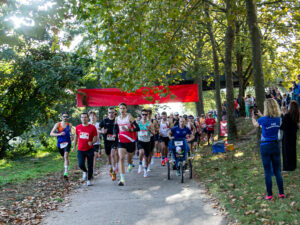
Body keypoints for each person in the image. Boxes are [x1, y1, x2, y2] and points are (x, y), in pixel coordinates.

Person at [252, 99, 284, 200]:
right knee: (277, 170)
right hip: (276, 145)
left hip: (265, 146)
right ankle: (281, 194)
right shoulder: (278, 119)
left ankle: (269, 195)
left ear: (267, 107)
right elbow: (269, 121)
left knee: (267, 171)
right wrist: (262, 115)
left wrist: (253, 117)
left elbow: (256, 125)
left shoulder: (263, 120)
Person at [115, 103, 140, 186]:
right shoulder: (117, 118)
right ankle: (122, 179)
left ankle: (130, 163)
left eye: (123, 108)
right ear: (119, 109)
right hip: (121, 141)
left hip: (130, 140)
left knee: (129, 158)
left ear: (126, 109)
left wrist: (128, 129)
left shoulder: (129, 117)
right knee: (121, 158)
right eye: (120, 108)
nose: (122, 110)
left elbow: (137, 128)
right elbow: (116, 129)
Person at [73, 113, 98, 186]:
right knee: (81, 164)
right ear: (80, 119)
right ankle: (85, 171)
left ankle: (89, 179)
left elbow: (95, 138)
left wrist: (92, 142)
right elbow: (76, 137)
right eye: (82, 117)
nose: (84, 119)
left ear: (88, 118)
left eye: (85, 117)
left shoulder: (92, 127)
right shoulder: (78, 127)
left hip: (89, 149)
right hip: (80, 149)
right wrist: (74, 146)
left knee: (90, 165)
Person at [50, 112, 73, 178]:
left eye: (66, 117)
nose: (65, 118)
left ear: (68, 118)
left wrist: (72, 136)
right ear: (62, 117)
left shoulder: (69, 124)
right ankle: (67, 165)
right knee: (64, 158)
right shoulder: (57, 124)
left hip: (67, 142)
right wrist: (59, 134)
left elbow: (70, 133)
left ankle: (66, 172)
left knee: (66, 156)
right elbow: (51, 133)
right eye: (64, 116)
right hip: (60, 143)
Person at [100, 107, 119, 181]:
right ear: (108, 113)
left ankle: (114, 171)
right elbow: (98, 129)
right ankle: (111, 167)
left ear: (115, 113)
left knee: (112, 154)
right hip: (106, 140)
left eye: (112, 112)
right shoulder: (105, 121)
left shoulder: (117, 120)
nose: (111, 114)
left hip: (114, 140)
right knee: (108, 156)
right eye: (109, 112)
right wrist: (102, 131)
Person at [280, 100, 299, 171]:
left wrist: (283, 115)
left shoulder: (287, 115)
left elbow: (282, 126)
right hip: (293, 135)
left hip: (287, 136)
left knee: (286, 151)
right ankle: (293, 165)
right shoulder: (296, 114)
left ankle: (287, 167)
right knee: (293, 150)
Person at [137, 109, 155, 177]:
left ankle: (145, 171)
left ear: (147, 115)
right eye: (143, 114)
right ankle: (140, 164)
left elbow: (154, 133)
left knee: (147, 159)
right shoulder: (138, 122)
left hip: (147, 142)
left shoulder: (150, 123)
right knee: (141, 152)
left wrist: (149, 129)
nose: (144, 116)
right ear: (141, 115)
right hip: (140, 141)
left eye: (145, 114)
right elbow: (134, 130)